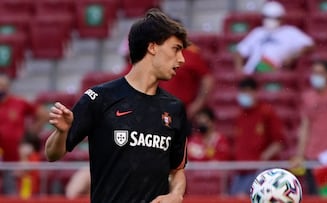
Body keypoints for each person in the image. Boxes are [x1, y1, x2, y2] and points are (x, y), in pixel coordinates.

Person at [45, 9, 190, 203]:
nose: (182, 59)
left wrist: (176, 194)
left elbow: (177, 170)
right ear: (153, 47)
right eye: (176, 48)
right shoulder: (100, 98)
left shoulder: (175, 108)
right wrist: (62, 133)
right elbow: (52, 154)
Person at [290, 60, 327, 195]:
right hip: (312, 156)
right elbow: (304, 127)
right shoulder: (307, 97)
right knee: (315, 196)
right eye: (314, 72)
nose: (316, 76)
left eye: (320, 73)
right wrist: (300, 154)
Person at [229, 77, 285, 196]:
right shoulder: (239, 115)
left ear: (256, 92)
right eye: (242, 91)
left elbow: (278, 143)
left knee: (243, 197)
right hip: (241, 171)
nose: (245, 95)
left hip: (260, 171)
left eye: (248, 91)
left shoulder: (266, 113)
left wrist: (262, 159)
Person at [233, 1, 314, 74]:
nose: (271, 20)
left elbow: (309, 45)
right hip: (252, 73)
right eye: (267, 17)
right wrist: (239, 69)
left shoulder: (290, 32)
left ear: (281, 18)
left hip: (274, 72)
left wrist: (293, 56)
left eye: (275, 18)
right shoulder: (257, 32)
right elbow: (240, 51)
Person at [0, 73, 47, 195]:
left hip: (19, 160)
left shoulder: (18, 102)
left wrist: (31, 132)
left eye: (3, 86)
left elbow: (43, 114)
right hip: (2, 158)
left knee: (18, 194)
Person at [159, 43, 214, 119]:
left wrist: (198, 103)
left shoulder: (190, 56)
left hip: (184, 111)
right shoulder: (158, 55)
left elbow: (207, 79)